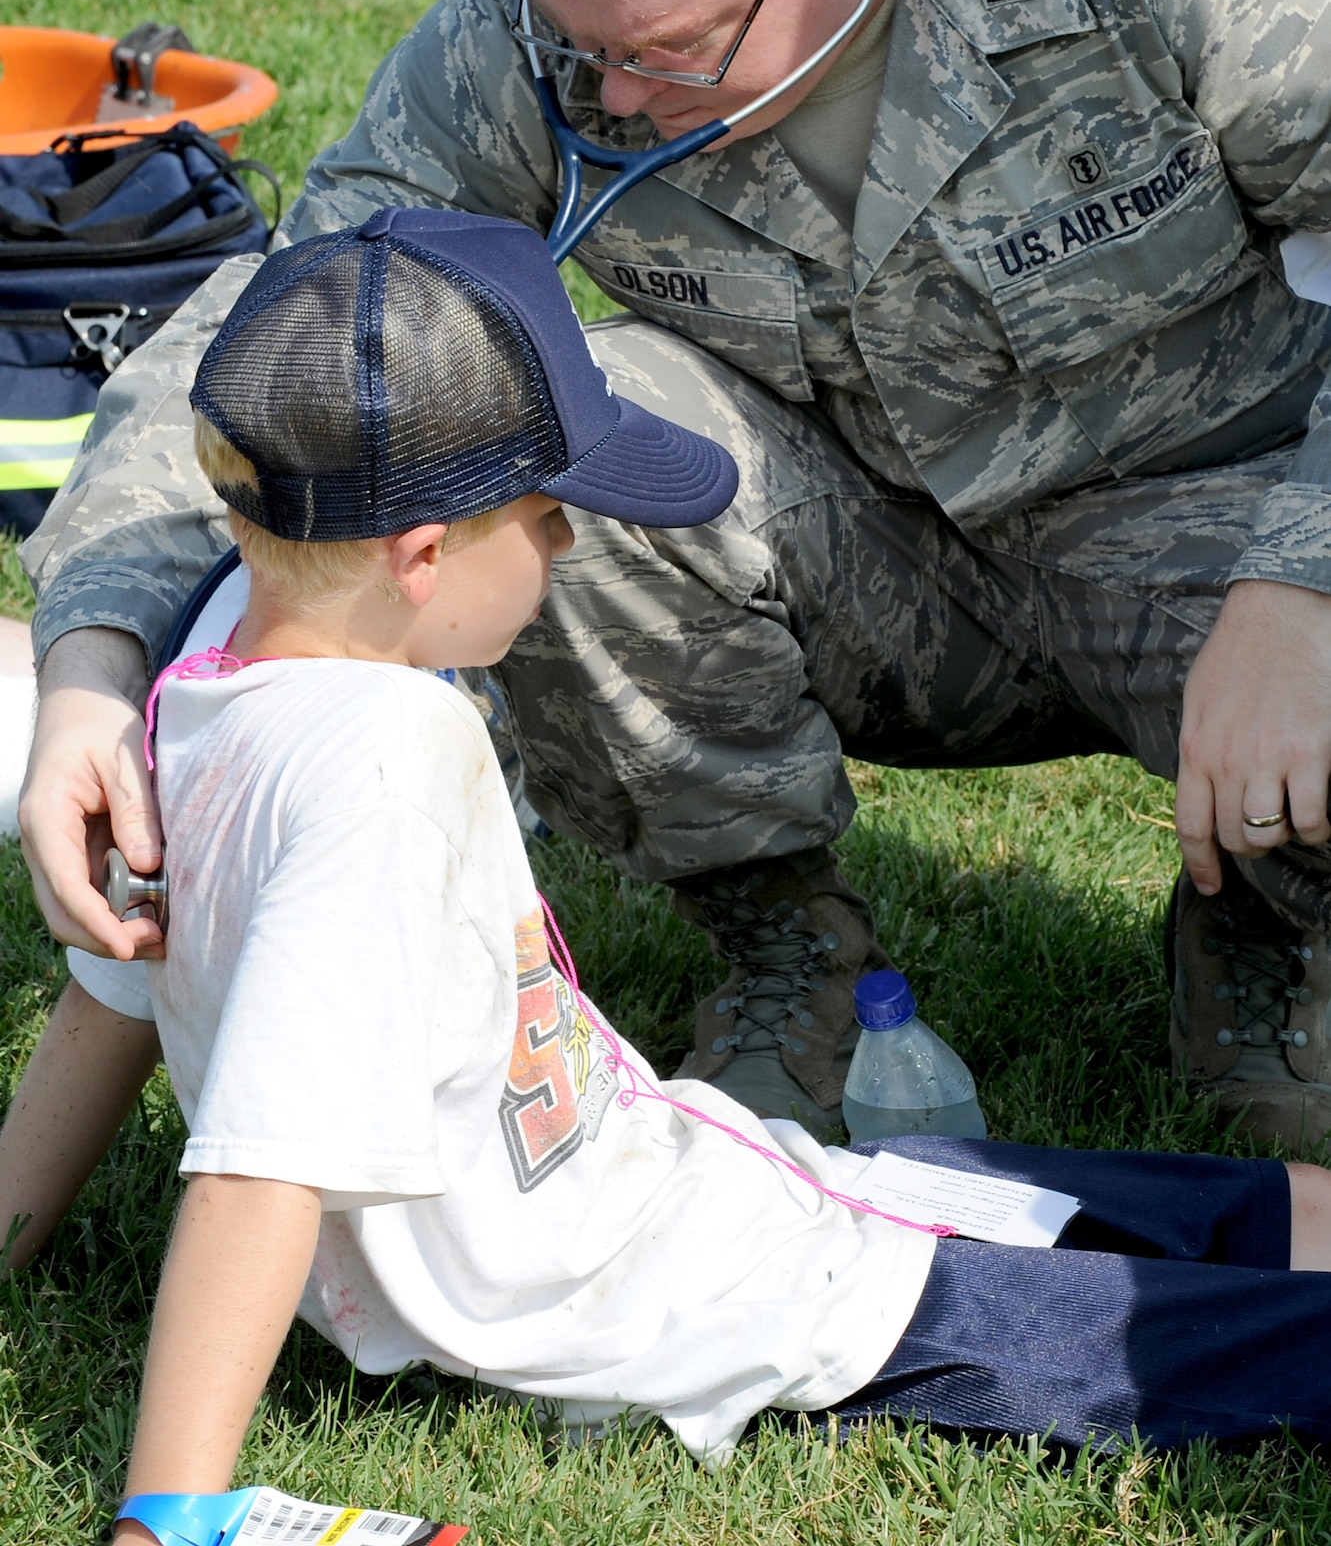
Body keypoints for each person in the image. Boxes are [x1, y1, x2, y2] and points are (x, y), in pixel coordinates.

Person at [19, 0, 1331, 1155]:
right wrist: (91, 666)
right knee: (551, 444)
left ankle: (1259, 916)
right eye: (588, 46)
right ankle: (786, 950)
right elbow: (290, 318)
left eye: (671, 49)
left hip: (1219, 525)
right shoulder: (549, 28)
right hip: (874, 548)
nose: (616, 95)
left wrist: (1300, 579)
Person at [53, 205, 1331, 1540]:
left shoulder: (194, 690)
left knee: (1196, 1211)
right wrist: (172, 1508)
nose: (563, 552)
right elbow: (263, 1165)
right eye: (546, 521)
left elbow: (108, 1003)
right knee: (1205, 1339)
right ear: (423, 557)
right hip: (745, 1315)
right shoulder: (384, 758)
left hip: (714, 1191)